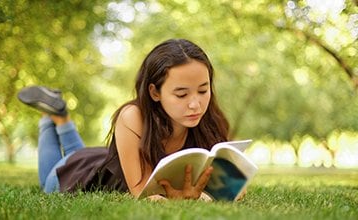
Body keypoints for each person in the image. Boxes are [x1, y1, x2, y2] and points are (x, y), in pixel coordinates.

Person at [18, 38, 231, 200]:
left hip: (93, 159)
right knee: (50, 178)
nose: (196, 104)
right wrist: (194, 195)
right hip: (77, 175)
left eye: (203, 90)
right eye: (182, 95)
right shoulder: (132, 117)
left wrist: (219, 190)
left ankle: (59, 114)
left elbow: (236, 187)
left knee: (77, 154)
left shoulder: (208, 117)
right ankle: (51, 116)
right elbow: (142, 192)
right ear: (154, 92)